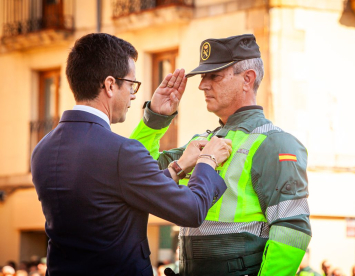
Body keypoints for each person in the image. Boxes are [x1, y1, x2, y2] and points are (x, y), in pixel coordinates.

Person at [31, 33, 231, 276]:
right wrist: (207, 161)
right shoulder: (121, 152)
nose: (134, 95)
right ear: (109, 85)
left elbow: (113, 199)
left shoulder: (42, 149)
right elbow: (191, 210)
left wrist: (178, 167)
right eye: (131, 84)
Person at [131, 34, 311, 275]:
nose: (202, 85)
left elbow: (292, 231)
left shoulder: (275, 143)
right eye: (203, 76)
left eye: (214, 76)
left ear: (248, 79)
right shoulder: (199, 144)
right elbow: (136, 174)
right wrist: (155, 118)